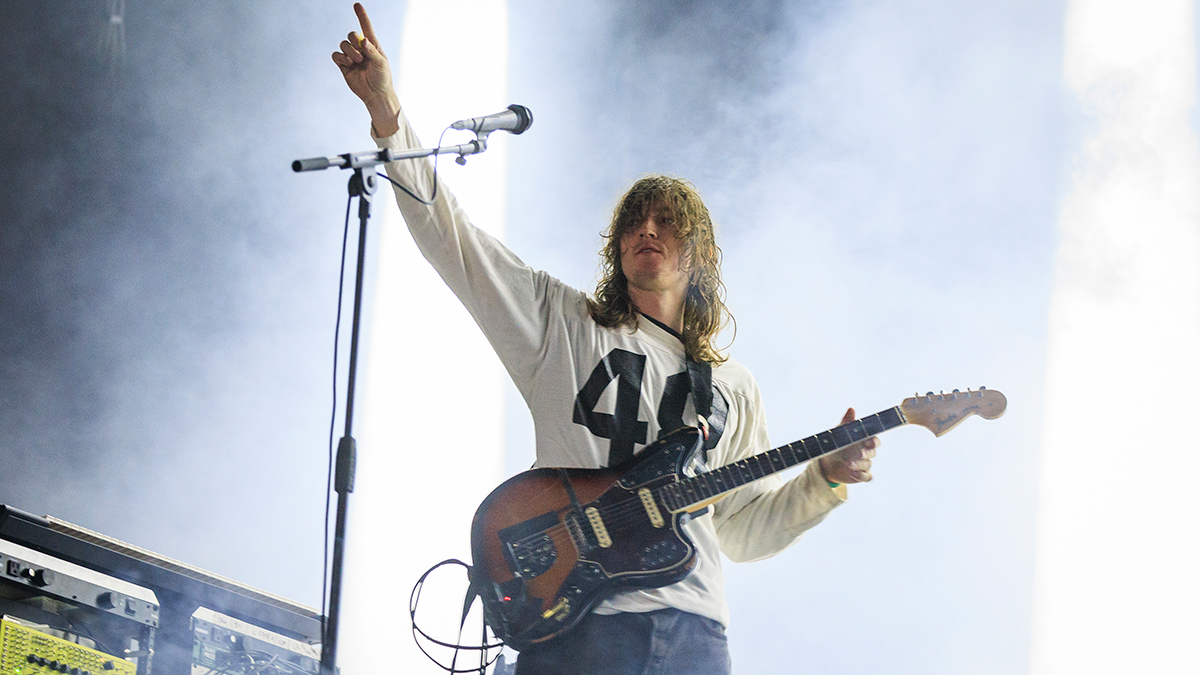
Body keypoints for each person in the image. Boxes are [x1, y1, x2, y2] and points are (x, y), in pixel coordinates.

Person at [331, 5, 878, 674]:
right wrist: (388, 110)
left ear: (699, 253)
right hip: (575, 627)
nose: (647, 228)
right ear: (616, 246)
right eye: (634, 221)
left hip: (693, 633)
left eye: (667, 221)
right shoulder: (563, 324)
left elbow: (738, 527)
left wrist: (823, 477)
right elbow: (456, 242)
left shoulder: (733, 387)